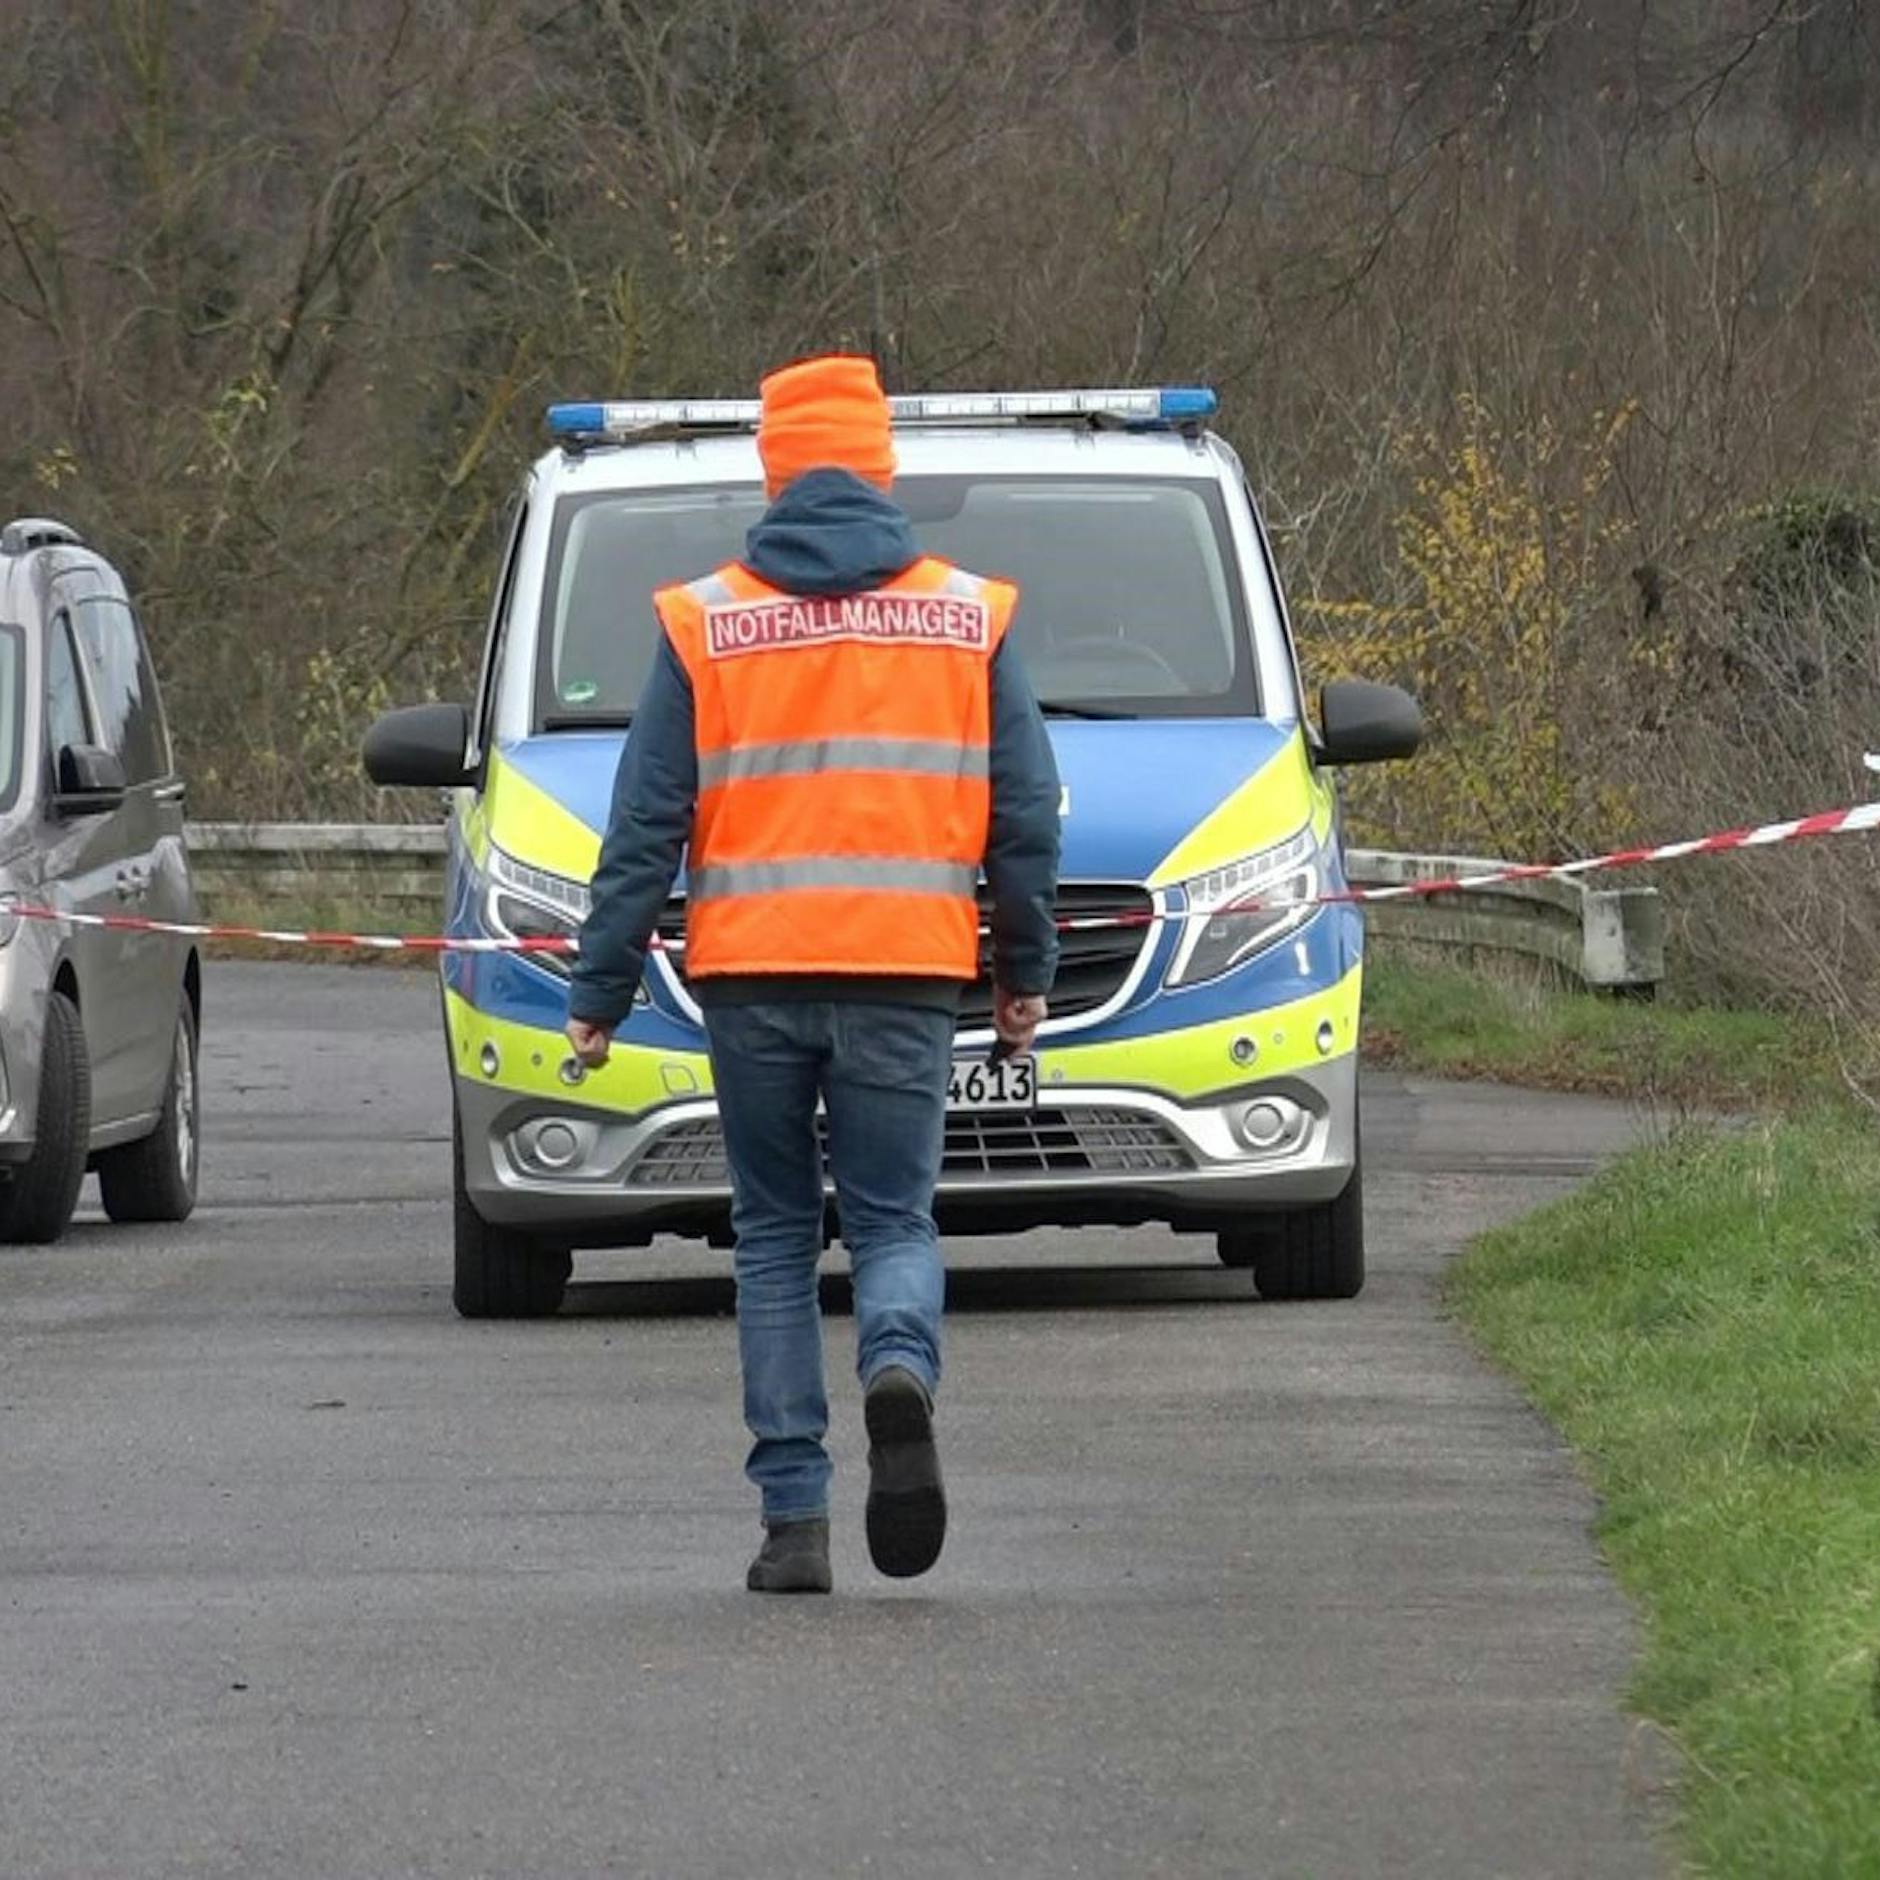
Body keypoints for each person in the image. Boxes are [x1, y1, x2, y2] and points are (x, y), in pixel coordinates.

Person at [564, 355, 1062, 1594]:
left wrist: (598, 992)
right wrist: (1023, 968)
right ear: (882, 464)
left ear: (772, 469)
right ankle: (898, 1363)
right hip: (903, 972)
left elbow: (643, 826)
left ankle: (794, 1520)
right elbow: (1025, 817)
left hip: (752, 976)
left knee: (776, 1237)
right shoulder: (970, 613)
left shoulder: (705, 619)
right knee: (894, 1217)